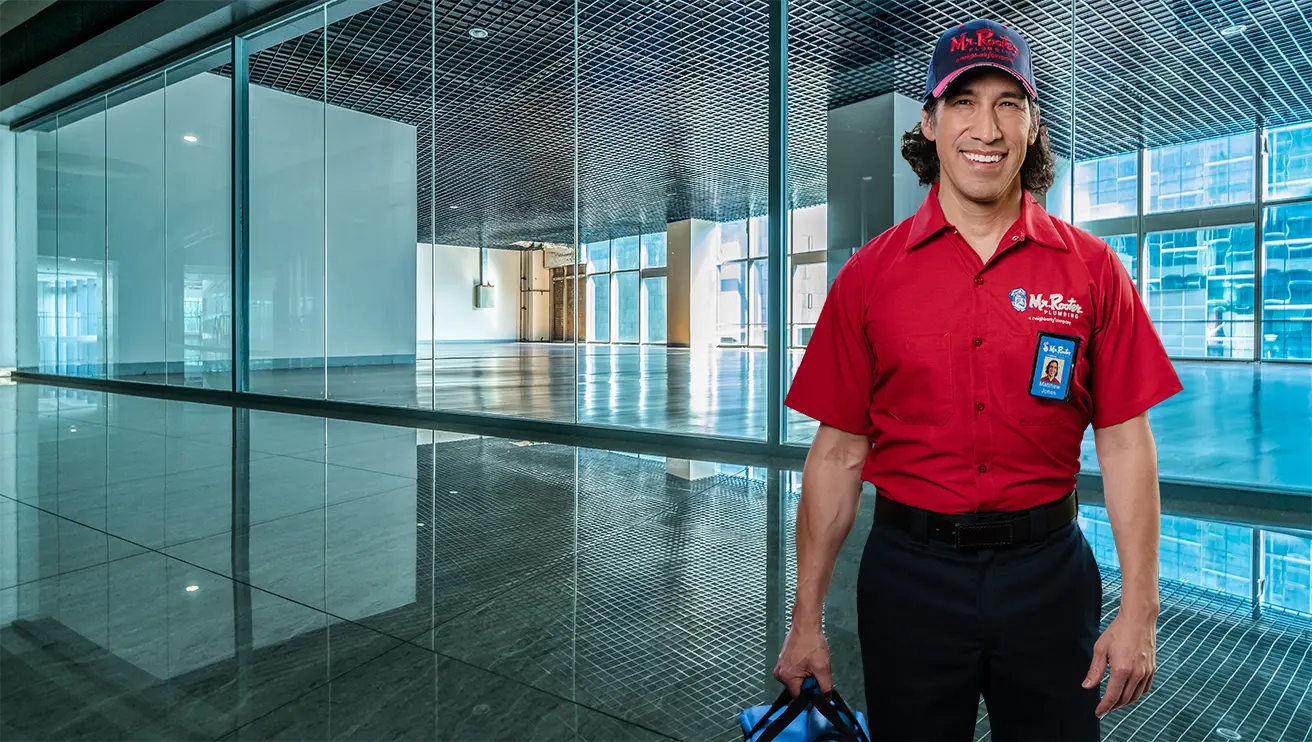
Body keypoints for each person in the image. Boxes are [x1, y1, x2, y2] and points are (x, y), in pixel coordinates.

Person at [774, 19, 1183, 742]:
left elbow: (1125, 445)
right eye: (962, 102)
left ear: (1032, 126)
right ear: (928, 123)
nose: (985, 127)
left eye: (1008, 103)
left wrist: (1140, 613)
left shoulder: (1090, 270)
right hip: (909, 582)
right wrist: (805, 621)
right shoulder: (869, 277)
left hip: (1050, 579)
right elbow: (836, 455)